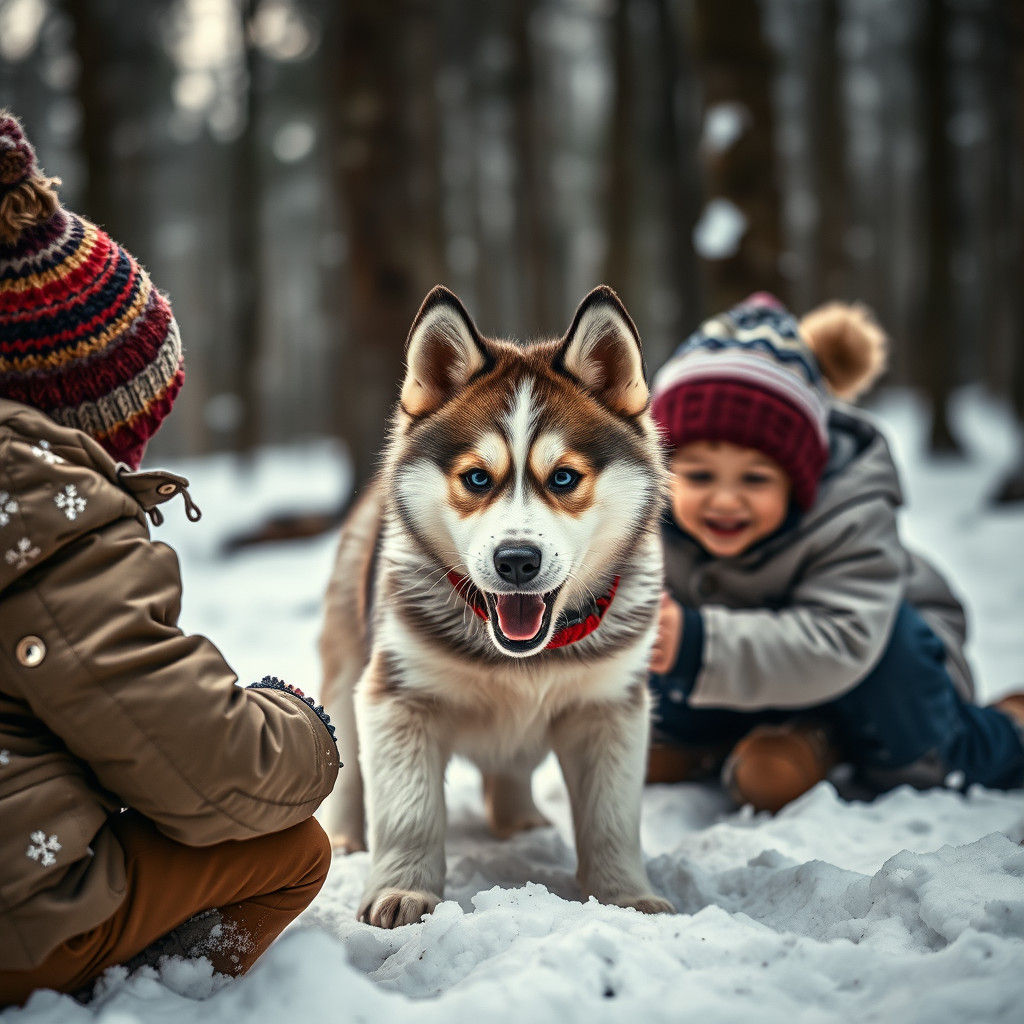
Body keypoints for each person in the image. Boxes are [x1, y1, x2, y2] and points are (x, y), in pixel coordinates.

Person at [0, 111, 339, 1007]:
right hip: (14, 917)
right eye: (134, 431)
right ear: (81, 421)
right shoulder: (39, 510)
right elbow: (209, 768)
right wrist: (305, 728)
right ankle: (141, 999)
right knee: (290, 848)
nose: (137, 459)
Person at [645, 291, 1024, 812]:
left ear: (801, 479)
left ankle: (1004, 732)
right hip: (748, 680)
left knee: (917, 732)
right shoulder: (645, 519)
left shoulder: (849, 515)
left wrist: (697, 644)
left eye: (755, 478)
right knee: (646, 646)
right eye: (700, 475)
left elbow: (841, 639)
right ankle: (757, 741)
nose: (725, 499)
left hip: (878, 667)